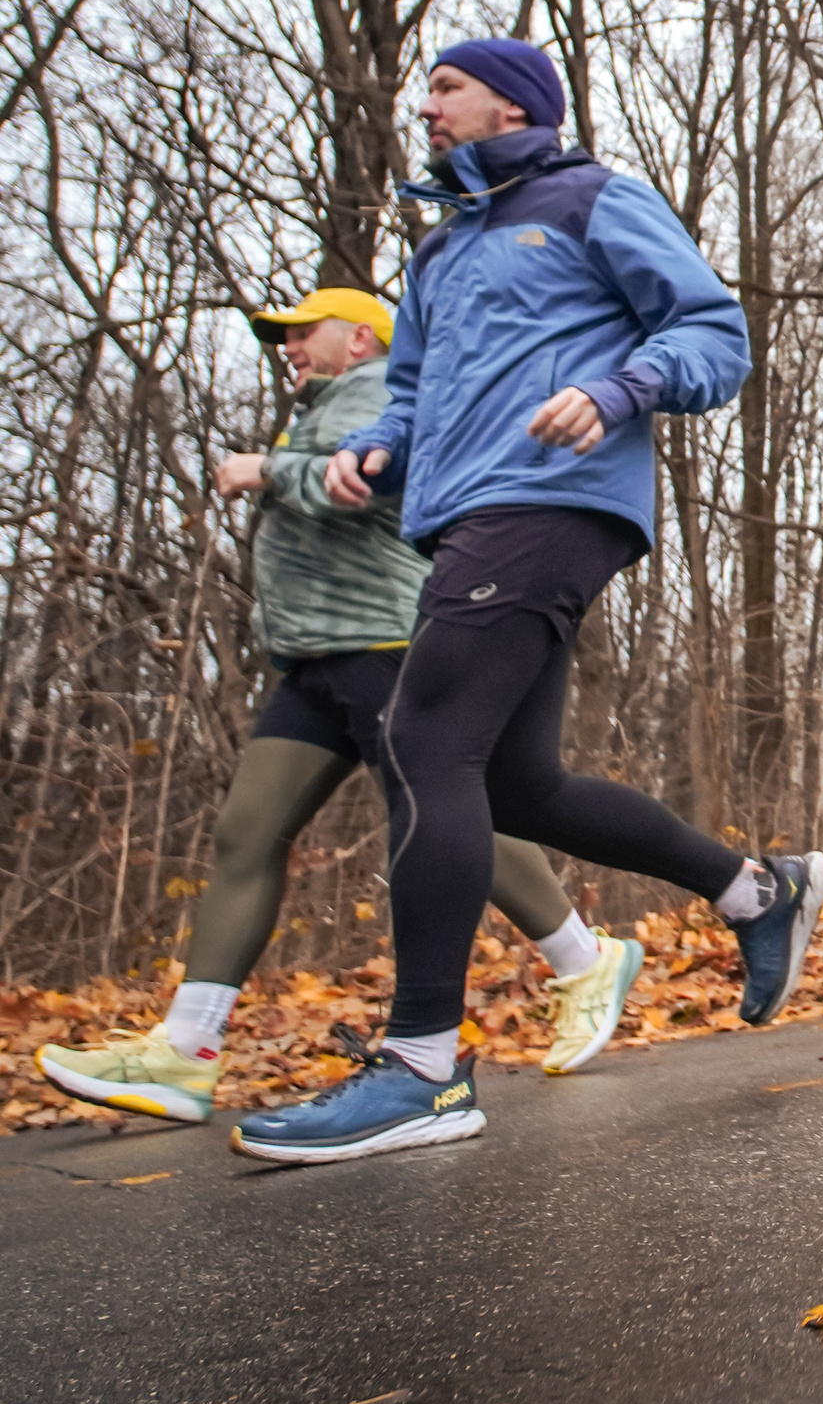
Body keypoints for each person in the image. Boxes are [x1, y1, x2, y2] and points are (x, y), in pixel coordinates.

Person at [230, 39, 823, 1165]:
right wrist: (373, 451)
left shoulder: (591, 197)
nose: (428, 105)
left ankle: (421, 1068)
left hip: (554, 496)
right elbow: (413, 394)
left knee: (421, 742)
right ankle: (755, 891)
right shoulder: (438, 250)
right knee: (514, 780)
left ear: (513, 99)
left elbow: (712, 332)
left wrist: (614, 391)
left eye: (446, 86)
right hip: (467, 514)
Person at [36, 290, 641, 1122]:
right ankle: (183, 1049)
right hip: (315, 658)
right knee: (248, 831)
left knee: (446, 812)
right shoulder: (324, 402)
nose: (286, 345)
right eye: (280, 335)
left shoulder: (381, 390)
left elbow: (370, 483)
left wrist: (266, 470)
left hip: (386, 642)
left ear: (359, 336)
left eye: (300, 330)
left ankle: (582, 961)